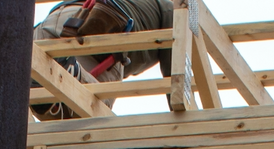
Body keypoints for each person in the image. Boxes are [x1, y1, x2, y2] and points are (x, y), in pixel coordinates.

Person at [31, 0, 174, 118]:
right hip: (101, 25)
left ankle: (43, 81)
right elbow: (174, 71)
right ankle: (72, 73)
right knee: (94, 115)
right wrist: (179, 121)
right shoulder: (169, 7)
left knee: (44, 101)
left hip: (54, 21)